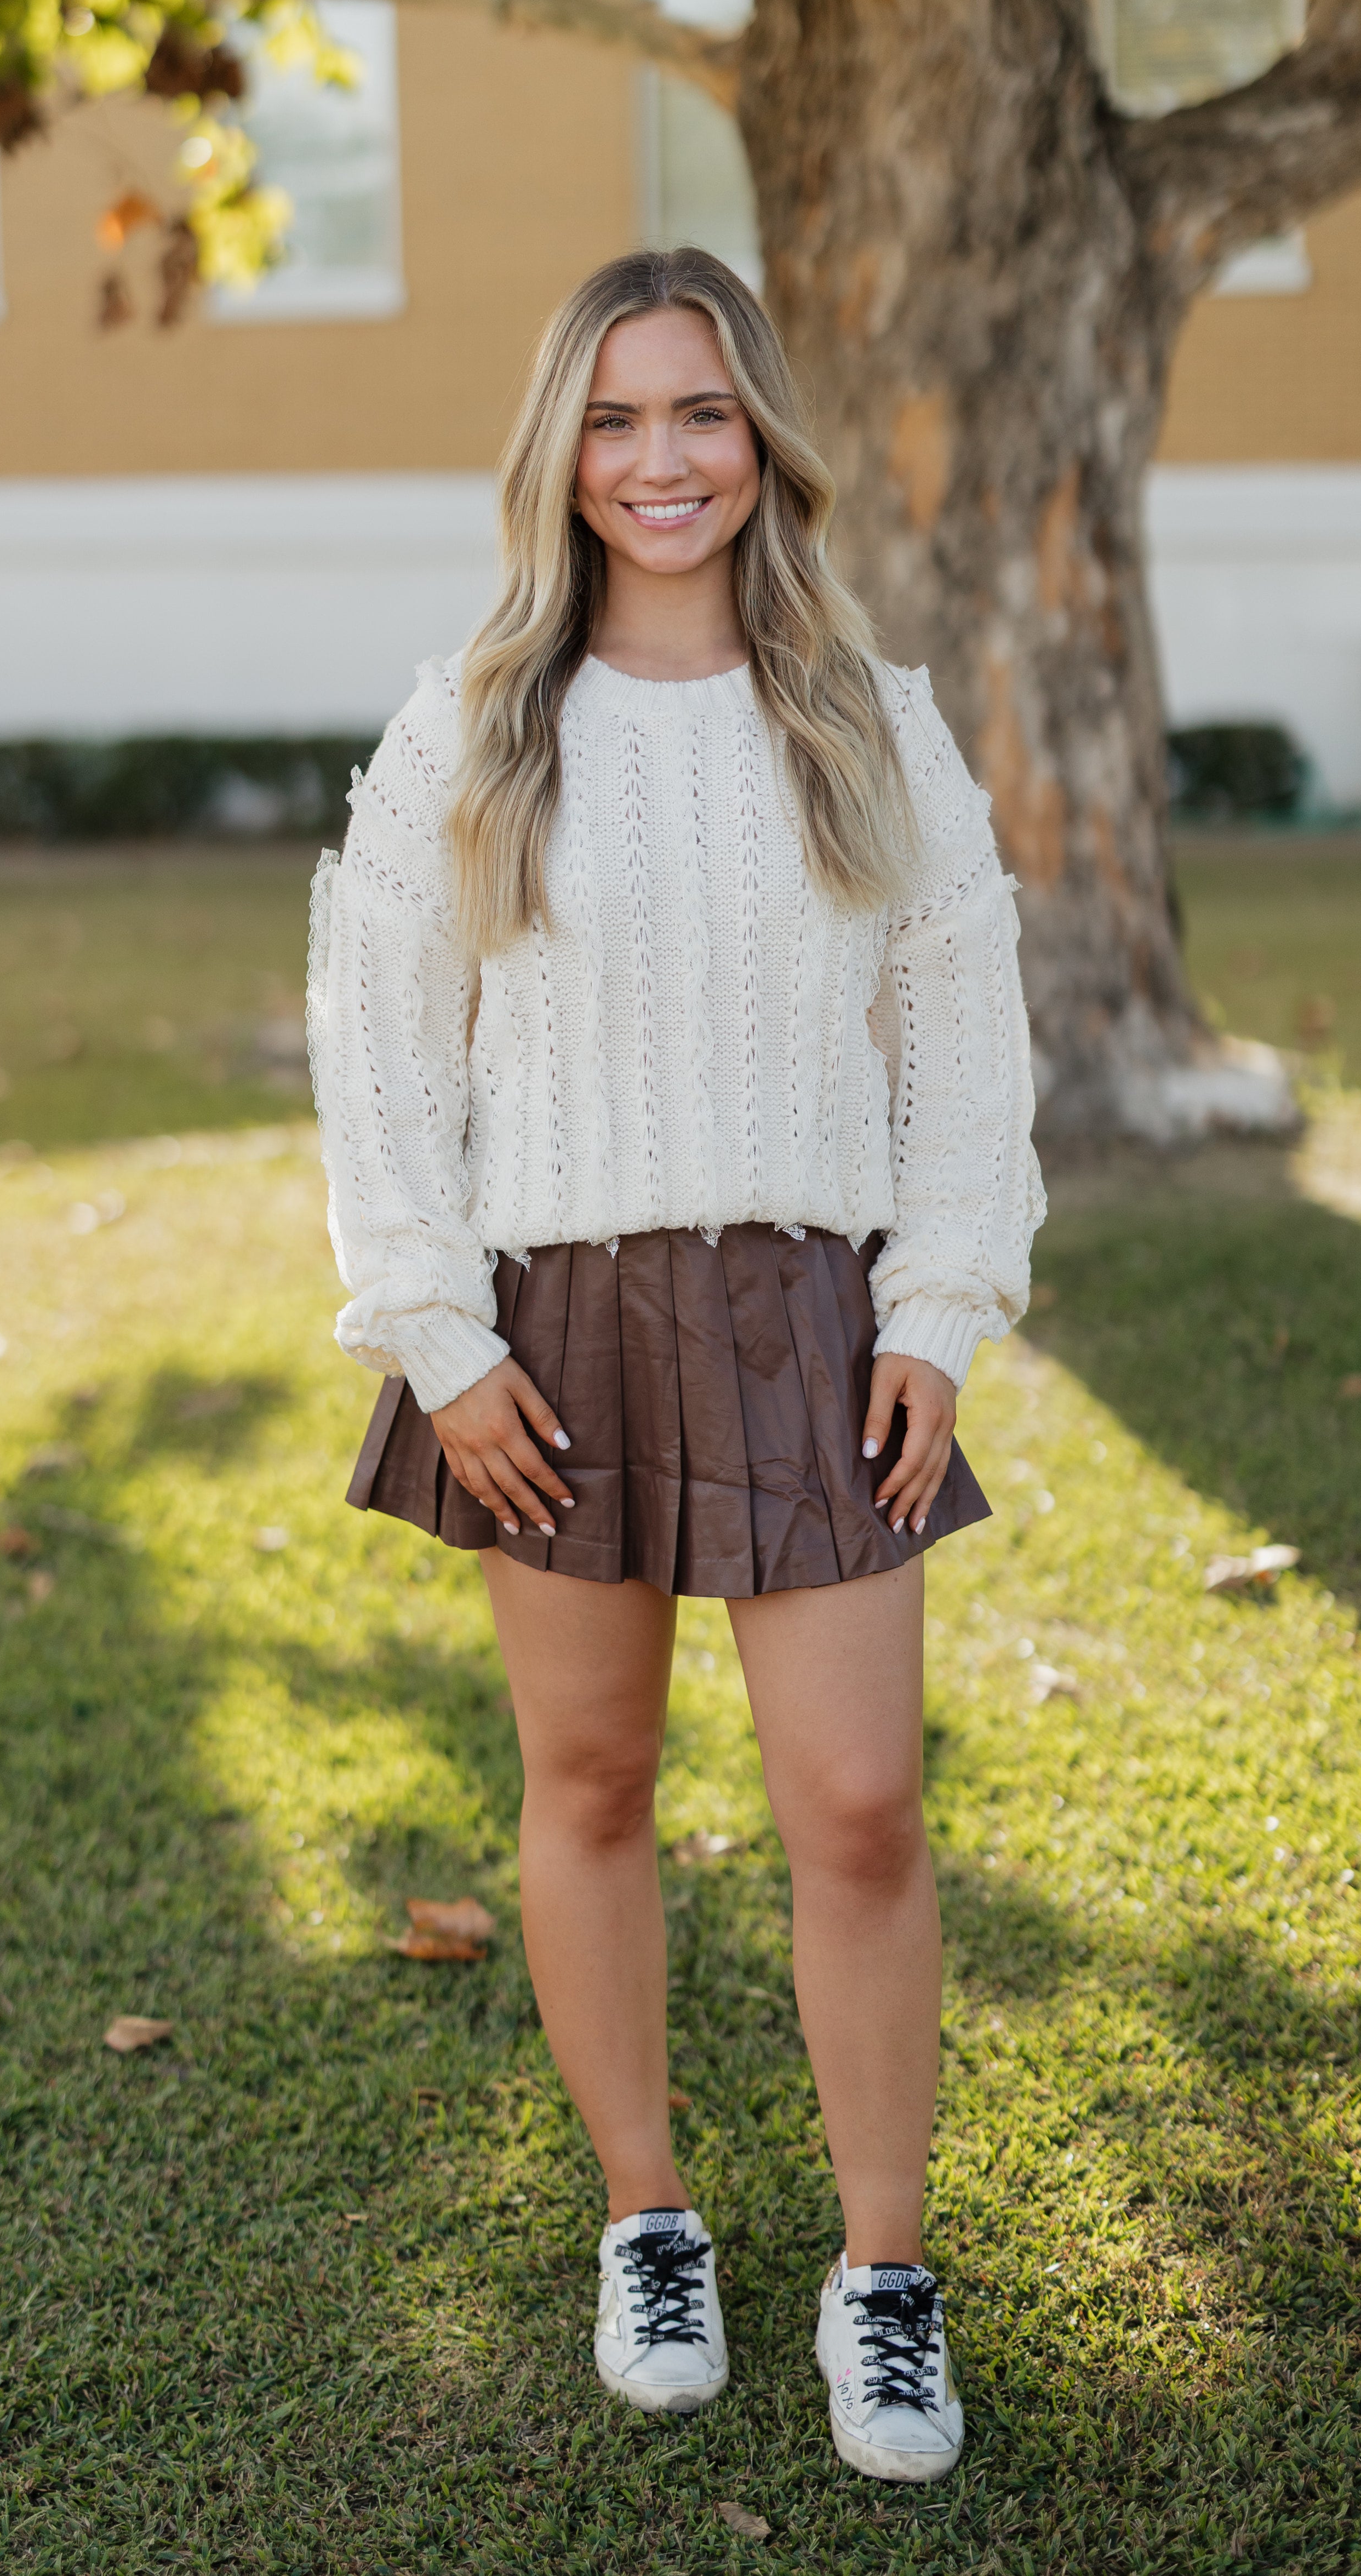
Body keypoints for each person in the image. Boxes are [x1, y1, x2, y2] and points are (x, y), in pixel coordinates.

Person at [308, 247, 1043, 2484]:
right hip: (555, 1332)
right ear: (562, 453)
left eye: (701, 415)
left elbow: (963, 1037)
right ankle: (651, 2219)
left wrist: (936, 1308)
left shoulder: (867, 716)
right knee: (594, 1783)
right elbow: (380, 1051)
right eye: (617, 421)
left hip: (815, 1319)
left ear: (761, 445)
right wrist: (438, 1339)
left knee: (857, 1801)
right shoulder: (471, 722)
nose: (660, 461)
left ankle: (885, 2274)